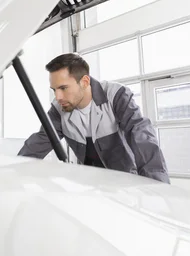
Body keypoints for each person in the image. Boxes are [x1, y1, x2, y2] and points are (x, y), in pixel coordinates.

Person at [18, 53, 169, 183]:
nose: (58, 97)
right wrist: (13, 172)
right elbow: (40, 142)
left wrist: (157, 187)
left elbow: (141, 136)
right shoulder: (58, 110)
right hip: (92, 185)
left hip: (126, 184)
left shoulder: (116, 96)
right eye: (54, 90)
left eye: (63, 88)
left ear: (84, 82)